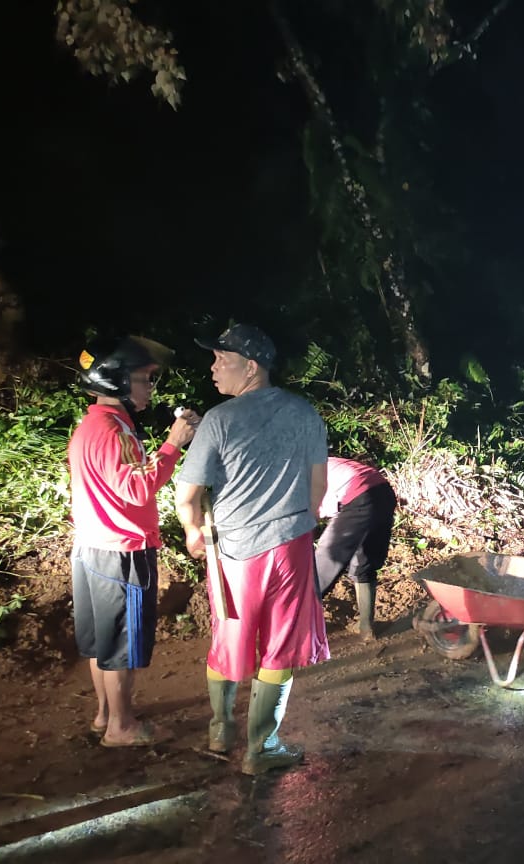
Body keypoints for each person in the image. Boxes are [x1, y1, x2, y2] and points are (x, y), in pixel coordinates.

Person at [175, 324, 330, 776]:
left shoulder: (220, 420)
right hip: (290, 548)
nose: (213, 367)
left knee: (230, 637)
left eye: (221, 359)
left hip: (233, 554)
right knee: (279, 646)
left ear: (251, 365)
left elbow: (187, 496)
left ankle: (221, 727)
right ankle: (260, 749)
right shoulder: (305, 414)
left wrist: (191, 532)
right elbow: (318, 489)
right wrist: (301, 521)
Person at [69, 336, 199, 747]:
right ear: (118, 382)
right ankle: (121, 727)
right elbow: (138, 488)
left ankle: (105, 715)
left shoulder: (91, 426)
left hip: (92, 546)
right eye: (143, 379)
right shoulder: (114, 430)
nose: (148, 389)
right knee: (122, 644)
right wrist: (173, 444)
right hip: (122, 552)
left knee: (101, 643)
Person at [316, 456, 397, 639]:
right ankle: (366, 627)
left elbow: (309, 517)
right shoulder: (324, 460)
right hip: (384, 492)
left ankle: (294, 630)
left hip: (358, 496)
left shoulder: (301, 472)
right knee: (364, 560)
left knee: (323, 565)